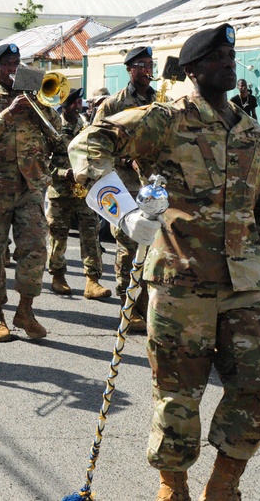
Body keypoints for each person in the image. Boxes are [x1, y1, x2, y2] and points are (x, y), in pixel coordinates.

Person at [71, 23, 260, 501]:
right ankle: (173, 487)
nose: (228, 63)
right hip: (178, 280)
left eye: (231, 56)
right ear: (192, 69)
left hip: (244, 284)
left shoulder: (253, 134)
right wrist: (122, 213)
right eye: (216, 58)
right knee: (178, 396)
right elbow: (87, 145)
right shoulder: (164, 120)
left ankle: (223, 487)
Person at [0, 44, 68, 342]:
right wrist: (9, 114)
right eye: (8, 63)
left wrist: (42, 110)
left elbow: (58, 137)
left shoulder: (38, 99)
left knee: (35, 250)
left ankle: (25, 310)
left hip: (30, 187)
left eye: (17, 63)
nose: (14, 68)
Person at [93, 45, 157, 332]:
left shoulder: (162, 101)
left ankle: (151, 307)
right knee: (129, 247)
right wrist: (124, 156)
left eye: (149, 64)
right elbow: (95, 143)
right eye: (141, 64)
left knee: (156, 249)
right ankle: (129, 306)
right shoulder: (113, 104)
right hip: (124, 186)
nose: (147, 69)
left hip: (155, 187)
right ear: (129, 70)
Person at [45, 88, 111, 300]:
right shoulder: (53, 128)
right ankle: (57, 276)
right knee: (58, 237)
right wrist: (64, 173)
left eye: (80, 102)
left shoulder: (86, 125)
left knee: (91, 235)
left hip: (85, 191)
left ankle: (92, 281)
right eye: (73, 103)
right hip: (60, 192)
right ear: (63, 104)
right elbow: (42, 161)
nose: (78, 106)